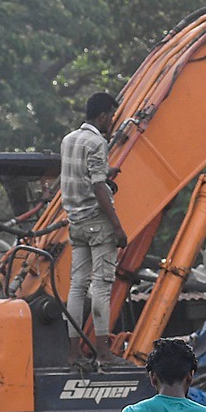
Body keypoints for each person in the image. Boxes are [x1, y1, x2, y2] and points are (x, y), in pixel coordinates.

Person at [61, 91, 128, 367]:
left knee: (77, 288)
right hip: (97, 224)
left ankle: (74, 354)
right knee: (101, 286)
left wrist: (105, 172)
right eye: (111, 116)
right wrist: (117, 227)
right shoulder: (98, 142)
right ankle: (104, 353)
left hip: (75, 223)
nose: (112, 122)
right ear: (102, 116)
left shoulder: (69, 140)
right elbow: (98, 186)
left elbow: (82, 176)